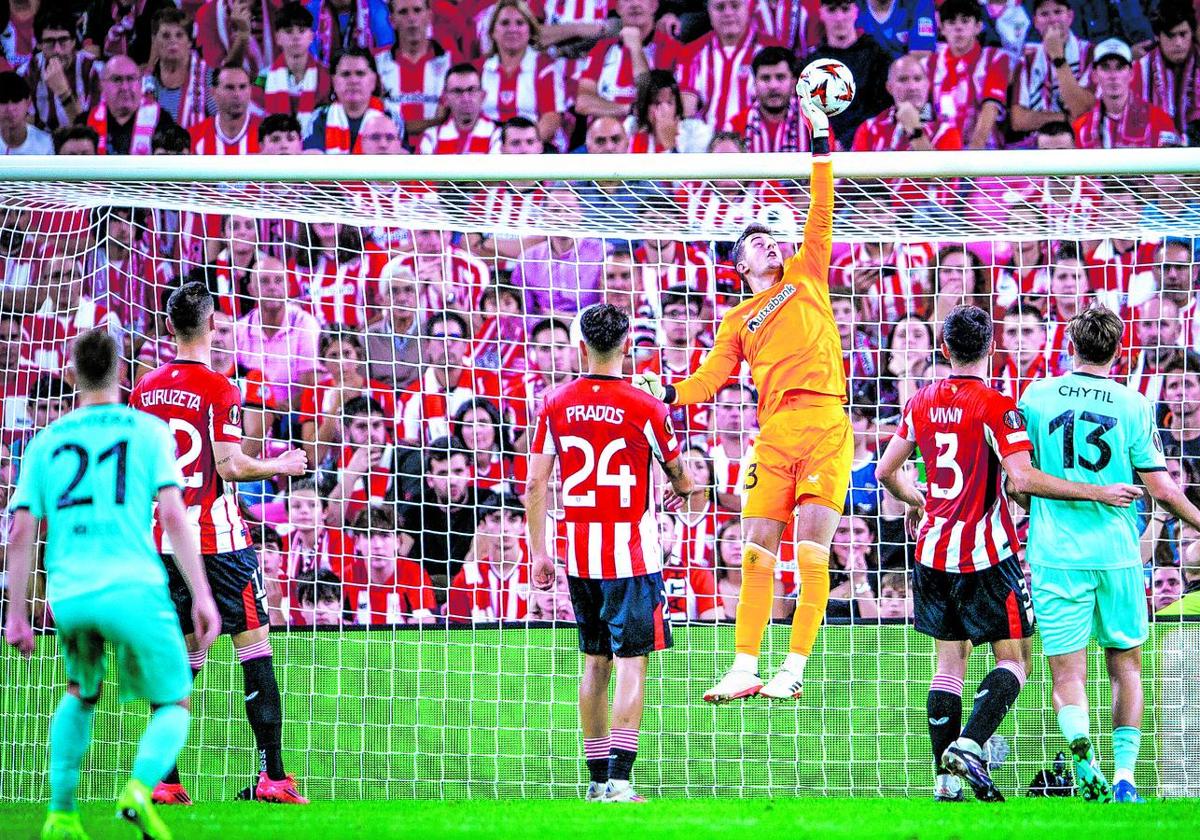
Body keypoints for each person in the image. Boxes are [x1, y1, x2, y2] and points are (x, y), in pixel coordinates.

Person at [875, 304, 1141, 802]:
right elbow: (1019, 482)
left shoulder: (920, 401)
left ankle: (946, 782)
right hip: (985, 552)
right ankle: (971, 745)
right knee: (1014, 662)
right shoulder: (999, 406)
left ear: (945, 349)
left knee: (948, 666)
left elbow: (885, 472)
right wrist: (1092, 493)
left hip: (932, 551)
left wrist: (920, 500)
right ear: (992, 348)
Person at [633, 85, 845, 703]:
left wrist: (820, 134)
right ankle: (745, 664)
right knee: (756, 551)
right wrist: (666, 390)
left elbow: (822, 204)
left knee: (810, 549)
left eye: (771, 238)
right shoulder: (735, 322)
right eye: (756, 242)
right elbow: (708, 382)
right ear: (738, 265)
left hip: (826, 422)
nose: (770, 244)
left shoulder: (807, 274)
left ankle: (793, 669)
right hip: (773, 431)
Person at [4, 328, 219, 840]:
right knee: (174, 702)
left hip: (71, 593)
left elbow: (20, 531)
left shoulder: (46, 441)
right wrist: (203, 593)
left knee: (80, 692)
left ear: (71, 374)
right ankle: (139, 791)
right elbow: (171, 514)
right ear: (123, 373)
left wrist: (16, 612)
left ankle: (60, 814)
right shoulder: (146, 433)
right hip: (135, 587)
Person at [130, 282, 309, 806]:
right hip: (219, 541)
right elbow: (230, 463)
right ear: (212, 327)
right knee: (254, 649)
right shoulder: (220, 388)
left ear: (169, 327)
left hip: (164, 542)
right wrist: (281, 464)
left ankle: (166, 781)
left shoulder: (144, 389)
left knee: (182, 659)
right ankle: (272, 778)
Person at [1017, 305, 1200, 804]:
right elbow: (1162, 490)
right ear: (1119, 349)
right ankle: (1124, 779)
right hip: (1119, 553)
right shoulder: (1135, 404)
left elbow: (1020, 478)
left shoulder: (1036, 396)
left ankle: (1084, 760)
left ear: (1068, 345)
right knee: (1127, 665)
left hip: (1055, 553)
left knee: (1067, 673)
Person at [527, 303, 698, 803]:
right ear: (628, 347)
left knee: (593, 663)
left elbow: (537, 482)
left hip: (578, 557)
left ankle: (596, 781)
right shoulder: (648, 406)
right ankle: (621, 781)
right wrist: (684, 485)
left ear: (580, 347)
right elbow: (682, 478)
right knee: (631, 664)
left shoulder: (554, 403)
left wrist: (540, 551)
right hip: (631, 557)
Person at [1074, 38, 1178, 148]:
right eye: (1105, 67)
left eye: (1120, 67)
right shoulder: (1081, 128)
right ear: (1094, 75)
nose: (1113, 76)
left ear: (1131, 74)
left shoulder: (1160, 120)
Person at [0, 71, 52, 154]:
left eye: (16, 100)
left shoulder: (46, 145)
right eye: (3, 101)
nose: (10, 108)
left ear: (28, 103)